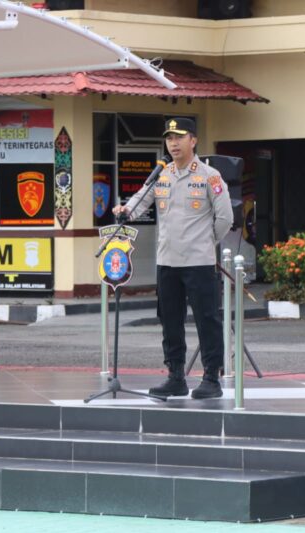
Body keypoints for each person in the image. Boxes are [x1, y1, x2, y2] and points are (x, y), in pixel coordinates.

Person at [112, 118, 233, 399]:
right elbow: (140, 202)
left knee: (207, 320)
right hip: (167, 262)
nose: (173, 143)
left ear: (193, 140)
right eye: (169, 138)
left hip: (199, 262)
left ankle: (211, 379)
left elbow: (225, 218)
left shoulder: (209, 176)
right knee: (170, 321)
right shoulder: (161, 175)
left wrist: (205, 242)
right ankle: (175, 376)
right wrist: (125, 210)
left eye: (179, 137)